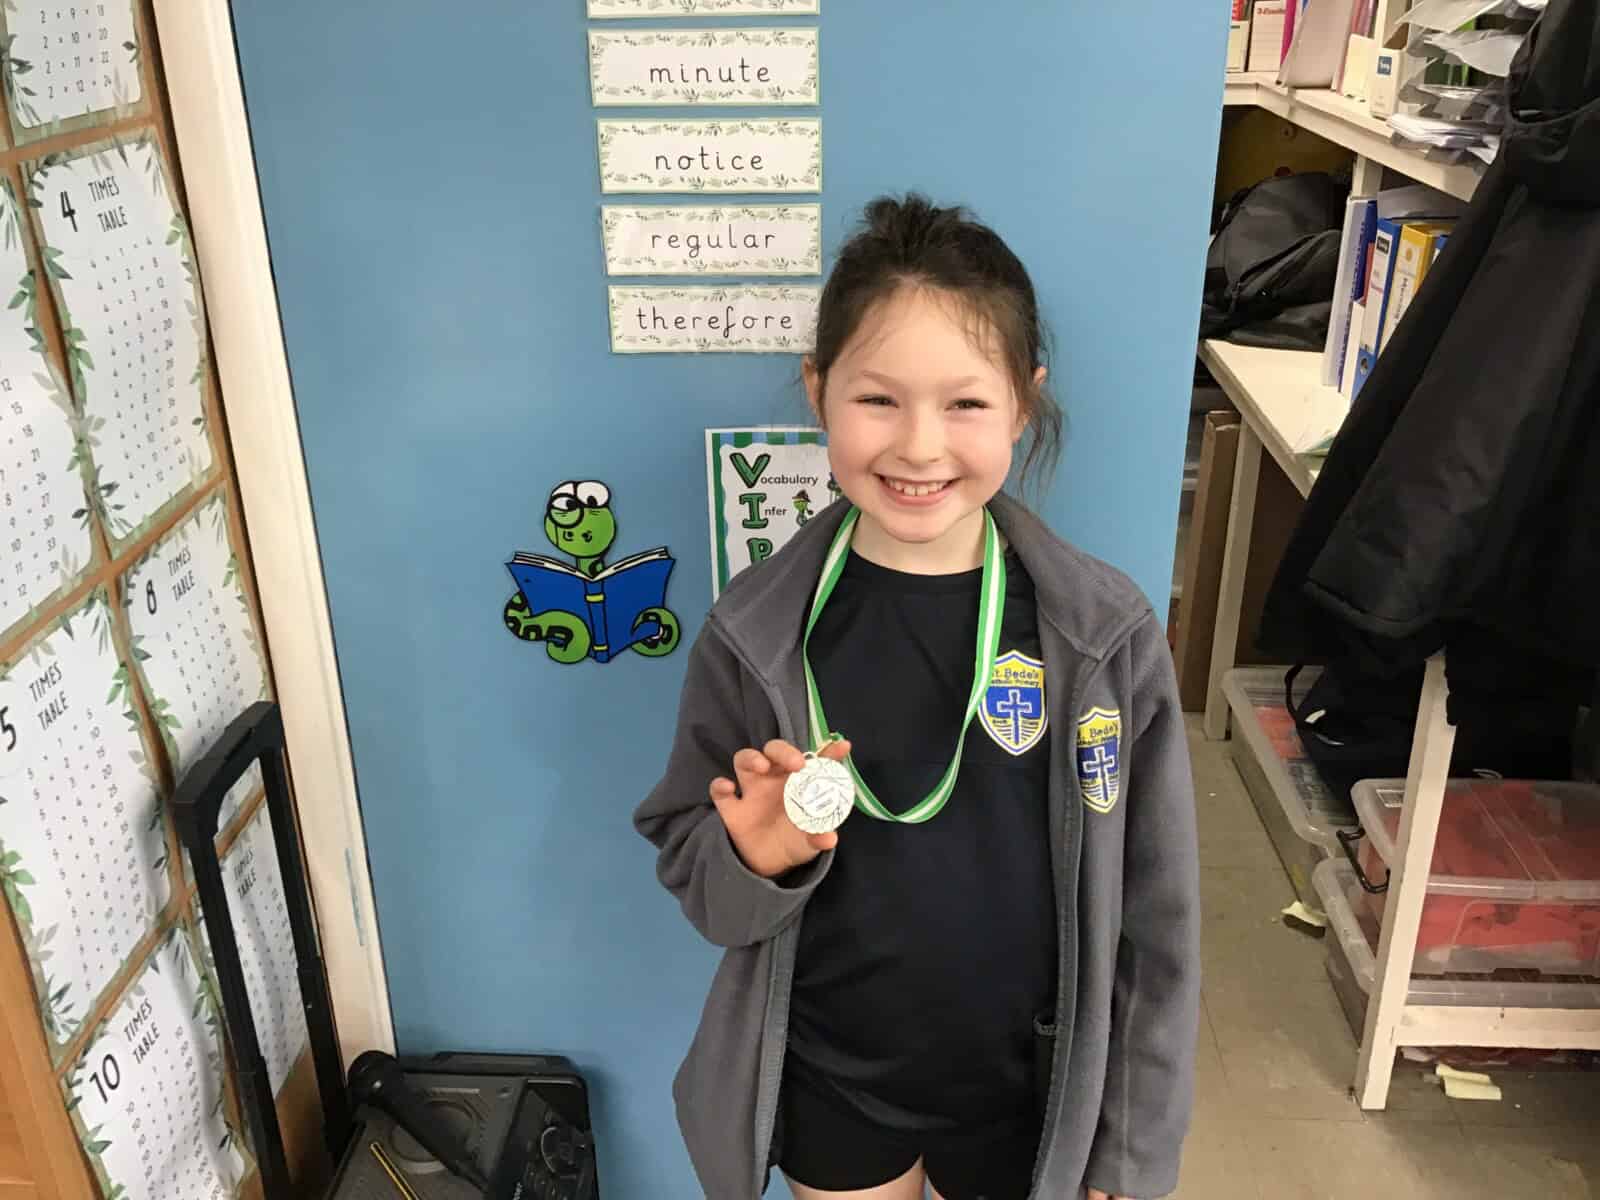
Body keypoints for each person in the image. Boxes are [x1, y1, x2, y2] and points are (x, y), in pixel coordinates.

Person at [636, 195, 1199, 1200]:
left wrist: (1129, 1146)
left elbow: (1159, 918)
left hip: (1034, 1093)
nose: (919, 446)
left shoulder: (1103, 635)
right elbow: (699, 874)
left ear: (1022, 404)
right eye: (878, 400)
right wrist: (754, 858)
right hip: (831, 1074)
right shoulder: (754, 631)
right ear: (819, 391)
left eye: (965, 404)